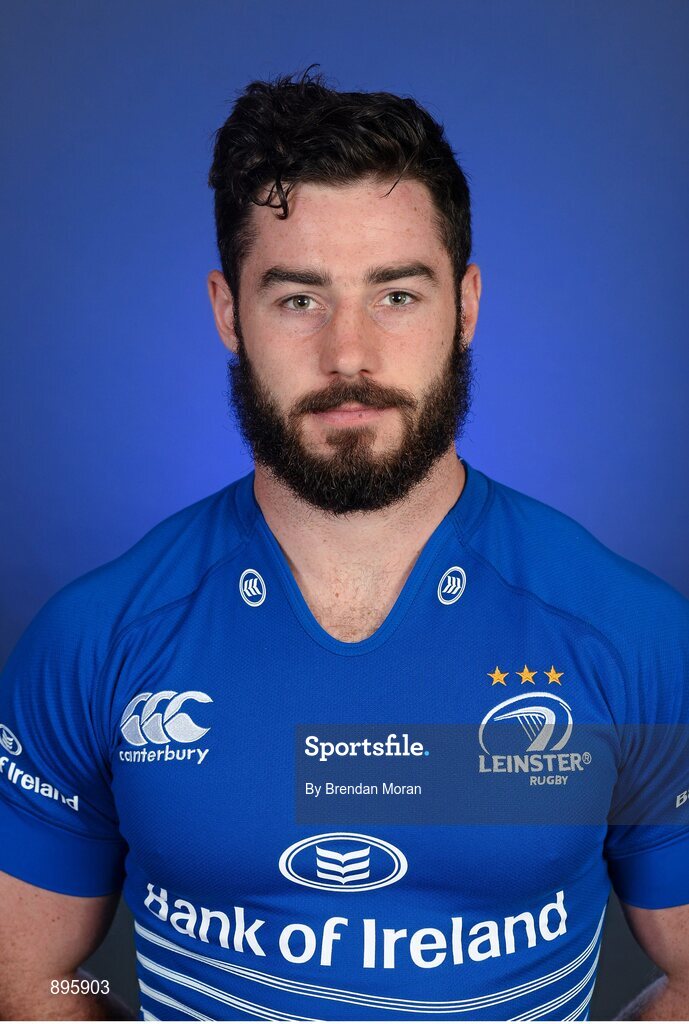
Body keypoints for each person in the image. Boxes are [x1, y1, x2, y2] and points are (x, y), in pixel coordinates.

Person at [0, 67, 688, 1023]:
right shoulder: (95, 640)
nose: (349, 355)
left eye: (397, 295)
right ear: (226, 311)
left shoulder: (632, 639)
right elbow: (35, 984)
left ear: (467, 304)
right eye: (297, 299)